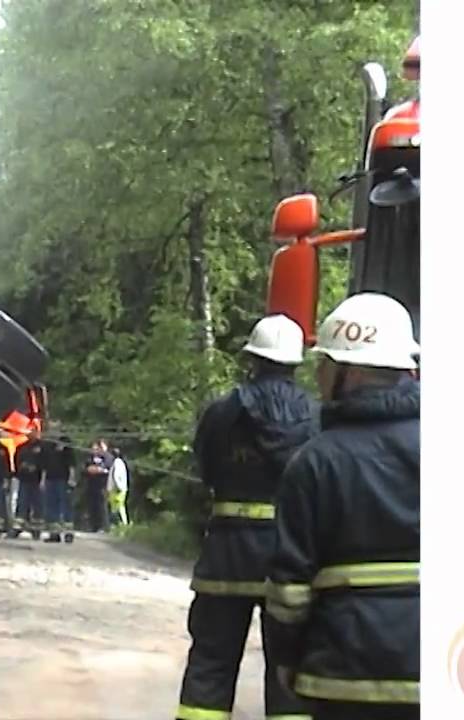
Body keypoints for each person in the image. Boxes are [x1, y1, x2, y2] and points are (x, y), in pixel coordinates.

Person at [264, 293, 421, 719]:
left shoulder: (315, 461)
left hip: (341, 673)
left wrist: (288, 660)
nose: (317, 375)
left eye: (325, 364)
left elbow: (289, 591)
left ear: (347, 374)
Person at [175, 314, 319, 720]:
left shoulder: (222, 411)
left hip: (226, 555)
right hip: (289, 560)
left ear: (251, 359)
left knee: (211, 664)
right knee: (288, 671)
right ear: (297, 362)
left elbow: (206, 471)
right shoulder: (315, 416)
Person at [42, 434, 76, 543]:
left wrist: (71, 480)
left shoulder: (68, 452)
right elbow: (45, 467)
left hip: (63, 481)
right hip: (50, 480)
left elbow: (72, 467)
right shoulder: (50, 450)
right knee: (51, 507)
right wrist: (43, 481)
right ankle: (54, 534)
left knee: (65, 506)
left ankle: (68, 533)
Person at [11, 435, 45, 540]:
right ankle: (18, 527)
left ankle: (36, 530)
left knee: (37, 505)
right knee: (22, 503)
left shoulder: (42, 447)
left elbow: (46, 463)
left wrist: (37, 469)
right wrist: (22, 467)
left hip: (37, 481)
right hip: (24, 480)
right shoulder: (21, 447)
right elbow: (16, 461)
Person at [83, 439, 112, 532]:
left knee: (102, 506)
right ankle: (93, 526)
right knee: (92, 506)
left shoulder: (108, 457)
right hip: (91, 484)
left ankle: (103, 526)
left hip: (103, 484)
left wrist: (99, 470)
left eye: (99, 447)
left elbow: (108, 468)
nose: (96, 449)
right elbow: (84, 468)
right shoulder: (90, 457)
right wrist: (89, 470)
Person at [108, 445, 130, 526]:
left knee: (117, 507)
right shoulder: (120, 463)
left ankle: (121, 523)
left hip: (117, 489)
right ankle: (120, 523)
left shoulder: (117, 463)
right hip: (119, 488)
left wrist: (118, 487)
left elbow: (116, 476)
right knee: (118, 507)